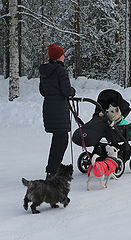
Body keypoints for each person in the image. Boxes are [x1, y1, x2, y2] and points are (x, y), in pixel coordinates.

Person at [39, 44, 76, 179]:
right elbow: (66, 91)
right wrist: (73, 91)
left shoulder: (44, 71)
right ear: (58, 56)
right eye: (62, 54)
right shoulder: (61, 71)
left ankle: (52, 169)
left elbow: (43, 91)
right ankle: (52, 171)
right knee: (62, 140)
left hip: (48, 108)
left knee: (58, 139)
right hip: (59, 109)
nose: (64, 56)